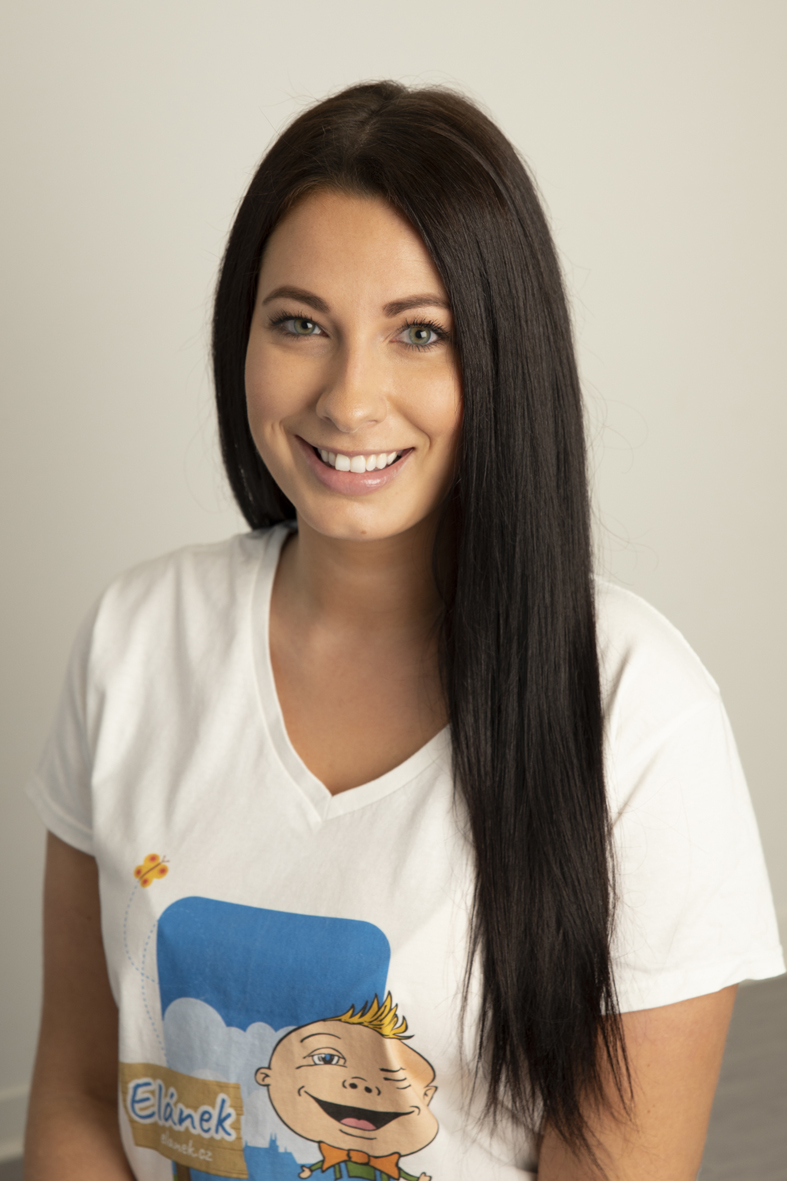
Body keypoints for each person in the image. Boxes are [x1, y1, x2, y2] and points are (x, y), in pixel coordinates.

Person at [24, 81, 784, 1181]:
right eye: (300, 324)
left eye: (419, 333)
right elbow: (79, 1092)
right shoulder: (132, 641)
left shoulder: (639, 711)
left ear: (504, 358)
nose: (350, 397)